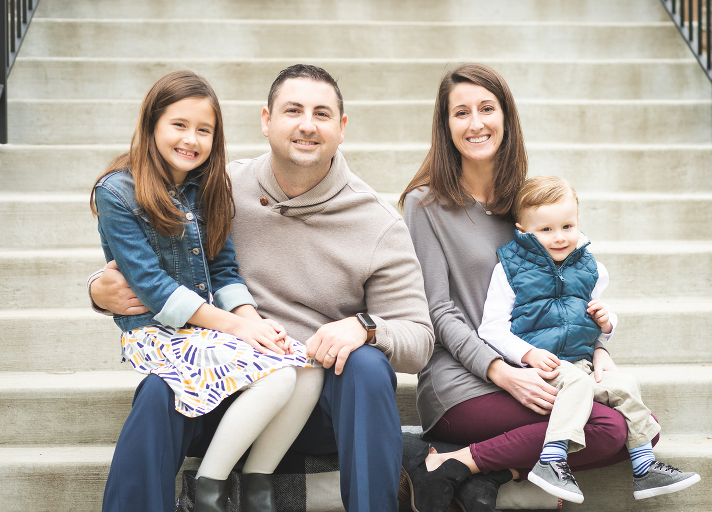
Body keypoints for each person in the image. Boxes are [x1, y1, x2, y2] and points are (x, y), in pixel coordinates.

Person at [89, 64, 434, 512]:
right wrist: (99, 290)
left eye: (322, 114)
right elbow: (148, 258)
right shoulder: (218, 186)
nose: (307, 125)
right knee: (159, 389)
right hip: (225, 385)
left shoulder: (377, 224)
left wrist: (365, 327)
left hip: (315, 403)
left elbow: (419, 340)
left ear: (342, 128)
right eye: (293, 110)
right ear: (267, 120)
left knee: (368, 368)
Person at [399, 63, 659, 512]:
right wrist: (501, 372)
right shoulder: (426, 205)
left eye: (486, 108)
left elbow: (564, 296)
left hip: (539, 365)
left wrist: (598, 349)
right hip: (462, 382)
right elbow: (438, 313)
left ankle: (470, 467)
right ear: (445, 126)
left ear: (506, 117)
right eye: (461, 113)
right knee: (607, 429)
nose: (476, 123)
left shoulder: (526, 205)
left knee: (644, 426)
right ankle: (466, 463)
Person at [91, 70, 324, 512]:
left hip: (207, 327)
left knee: (307, 367)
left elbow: (223, 270)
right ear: (152, 124)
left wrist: (255, 324)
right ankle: (209, 489)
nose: (191, 140)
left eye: (204, 130)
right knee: (277, 378)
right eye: (179, 125)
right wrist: (236, 326)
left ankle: (257, 483)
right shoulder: (117, 193)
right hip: (159, 332)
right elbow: (155, 289)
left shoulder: (210, 187)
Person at [478, 175, 700, 503]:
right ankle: (552, 460)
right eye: (546, 230)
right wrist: (528, 354)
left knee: (624, 386)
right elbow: (490, 328)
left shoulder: (591, 267)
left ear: (579, 221)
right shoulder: (509, 270)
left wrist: (606, 322)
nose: (559, 237)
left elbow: (600, 321)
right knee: (578, 386)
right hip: (539, 368)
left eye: (567, 226)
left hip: (580, 364)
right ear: (523, 230)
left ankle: (643, 466)